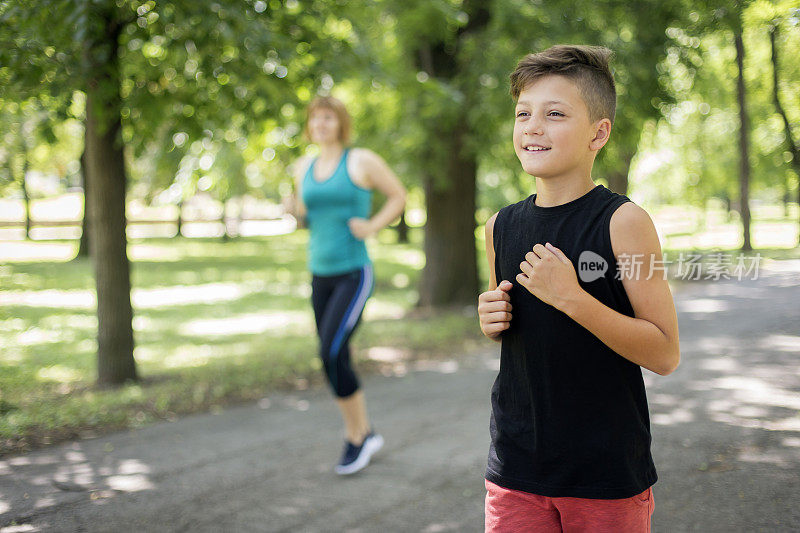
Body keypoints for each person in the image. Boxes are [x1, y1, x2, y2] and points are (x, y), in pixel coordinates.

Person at [477, 45, 680, 532]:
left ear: (599, 132)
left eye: (555, 114)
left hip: (604, 474)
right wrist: (490, 321)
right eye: (523, 113)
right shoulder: (499, 226)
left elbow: (665, 352)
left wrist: (571, 296)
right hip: (517, 470)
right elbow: (517, 335)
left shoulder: (624, 222)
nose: (532, 126)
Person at [290, 95, 406, 475]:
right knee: (333, 355)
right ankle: (363, 432)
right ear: (309, 125)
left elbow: (398, 196)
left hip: (353, 274)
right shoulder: (302, 166)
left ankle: (357, 438)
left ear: (340, 123)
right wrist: (294, 212)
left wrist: (372, 226)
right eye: (315, 118)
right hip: (318, 273)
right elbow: (308, 216)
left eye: (328, 117)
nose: (321, 124)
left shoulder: (360, 160)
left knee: (330, 351)